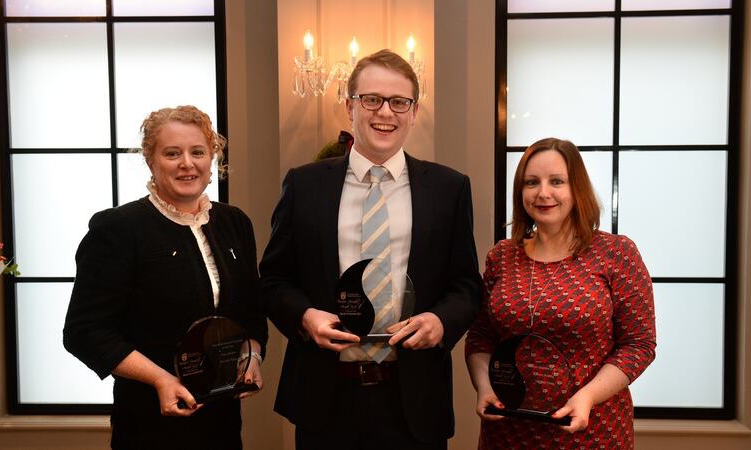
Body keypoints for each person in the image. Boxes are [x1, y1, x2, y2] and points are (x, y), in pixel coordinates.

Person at [260, 49, 481, 450]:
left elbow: (466, 284)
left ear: (413, 112)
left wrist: (440, 321)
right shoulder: (305, 185)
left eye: (400, 102)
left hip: (413, 399)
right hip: (326, 399)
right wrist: (305, 316)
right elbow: (274, 280)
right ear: (349, 106)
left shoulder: (449, 189)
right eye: (372, 99)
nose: (386, 112)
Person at [63, 105, 267, 450]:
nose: (187, 163)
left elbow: (250, 313)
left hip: (223, 421)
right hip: (149, 421)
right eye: (172, 153)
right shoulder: (119, 228)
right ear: (150, 161)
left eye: (197, 152)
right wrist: (160, 379)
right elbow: (84, 332)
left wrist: (253, 356)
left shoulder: (235, 223)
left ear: (212, 158)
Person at [465, 137, 656, 449]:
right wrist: (484, 386)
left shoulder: (616, 252)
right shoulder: (501, 256)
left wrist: (588, 396)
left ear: (576, 188)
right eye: (531, 182)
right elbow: (481, 337)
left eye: (556, 181)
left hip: (591, 429)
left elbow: (639, 344)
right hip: (509, 431)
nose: (543, 193)